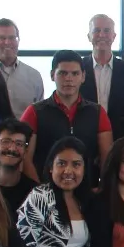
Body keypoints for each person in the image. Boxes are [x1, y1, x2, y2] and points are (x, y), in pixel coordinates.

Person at [19, 51, 113, 184]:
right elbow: (24, 158)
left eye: (75, 74)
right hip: (45, 191)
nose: (69, 79)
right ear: (52, 75)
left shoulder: (97, 112)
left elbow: (107, 159)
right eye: (63, 73)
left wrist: (101, 190)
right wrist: (39, 191)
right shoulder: (34, 112)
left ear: (83, 76)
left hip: (87, 192)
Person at [80, 14, 124, 131]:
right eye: (96, 30)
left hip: (119, 138)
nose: (102, 35)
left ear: (114, 36)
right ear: (89, 36)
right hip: (84, 136)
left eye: (106, 31)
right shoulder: (77, 69)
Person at [0, 118, 36, 214]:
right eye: (5, 141)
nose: (12, 148)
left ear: (25, 151)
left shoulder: (34, 193)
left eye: (19, 144)